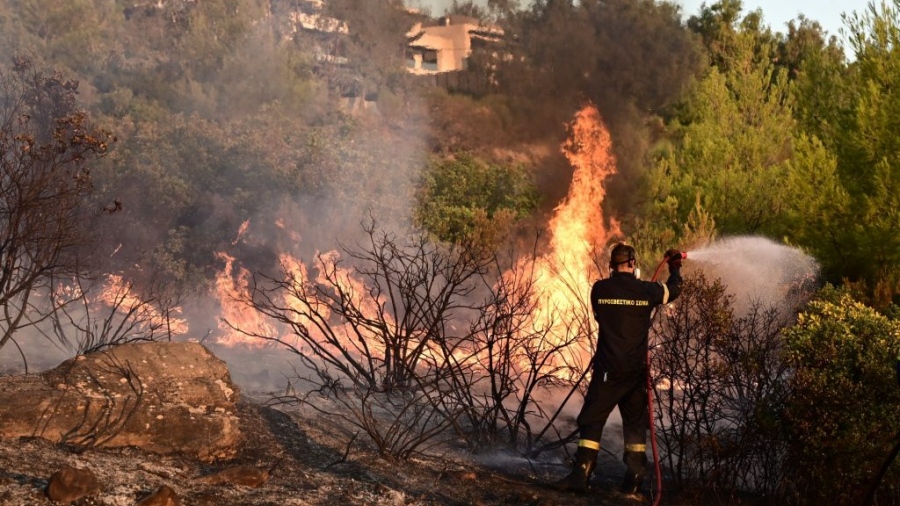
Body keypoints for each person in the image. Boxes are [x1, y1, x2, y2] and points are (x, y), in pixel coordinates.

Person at [554, 243, 683, 497]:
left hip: (607, 370)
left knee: (592, 419)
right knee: (634, 424)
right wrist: (675, 266)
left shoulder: (599, 289)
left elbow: (601, 317)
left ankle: (581, 473)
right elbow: (674, 290)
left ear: (611, 266)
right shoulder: (646, 290)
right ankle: (634, 479)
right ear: (633, 264)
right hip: (636, 372)